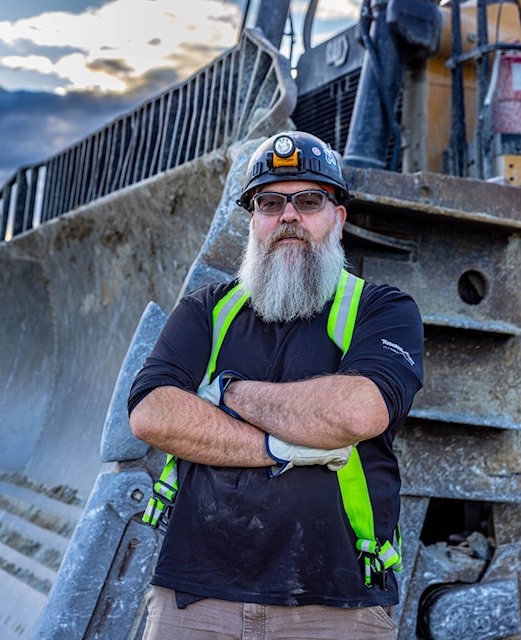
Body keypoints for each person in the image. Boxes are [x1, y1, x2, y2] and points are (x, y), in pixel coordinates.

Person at [127, 130, 424, 640]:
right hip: (196, 604)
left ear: (338, 217)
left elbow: (357, 413)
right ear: (254, 221)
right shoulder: (206, 310)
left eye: (309, 201)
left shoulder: (381, 310)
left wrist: (225, 392)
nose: (289, 216)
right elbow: (152, 414)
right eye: (270, 203)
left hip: (335, 610)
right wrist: (280, 445)